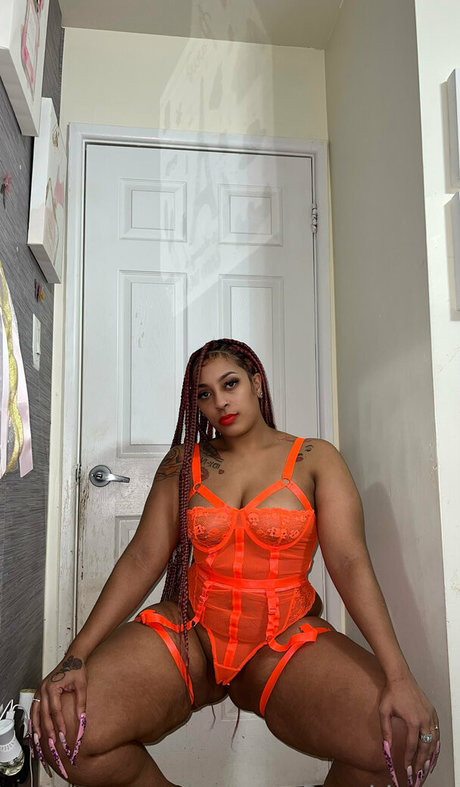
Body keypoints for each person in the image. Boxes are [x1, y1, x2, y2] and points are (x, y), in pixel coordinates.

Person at [31, 338, 440, 787]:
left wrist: (399, 676)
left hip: (281, 643)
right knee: (60, 729)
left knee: (405, 739)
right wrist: (75, 657)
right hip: (194, 636)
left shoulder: (314, 457)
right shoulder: (184, 463)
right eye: (204, 394)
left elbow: (349, 562)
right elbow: (142, 558)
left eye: (230, 384)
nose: (220, 402)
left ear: (256, 383)